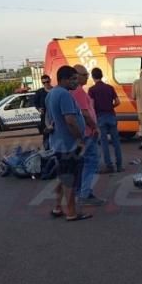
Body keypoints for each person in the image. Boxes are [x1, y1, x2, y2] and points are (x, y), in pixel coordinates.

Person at [46, 65, 91, 221]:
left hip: (58, 143)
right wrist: (80, 139)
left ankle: (58, 207)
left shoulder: (51, 94)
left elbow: (49, 119)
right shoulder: (64, 95)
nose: (76, 82)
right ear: (64, 79)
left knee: (63, 176)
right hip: (68, 145)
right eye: (72, 79)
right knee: (70, 179)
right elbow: (70, 121)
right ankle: (71, 212)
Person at [71, 64, 105, 206]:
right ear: (77, 76)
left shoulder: (76, 91)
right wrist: (95, 127)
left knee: (83, 163)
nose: (87, 77)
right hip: (87, 133)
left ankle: (82, 192)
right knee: (91, 162)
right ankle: (84, 193)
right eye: (85, 75)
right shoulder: (78, 91)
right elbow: (84, 113)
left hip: (83, 133)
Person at [88, 67, 122, 173]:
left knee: (104, 143)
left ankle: (109, 166)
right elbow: (117, 102)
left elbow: (92, 105)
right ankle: (119, 165)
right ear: (101, 75)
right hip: (111, 115)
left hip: (100, 117)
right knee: (116, 142)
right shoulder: (110, 87)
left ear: (93, 77)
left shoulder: (92, 90)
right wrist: (110, 106)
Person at [34, 74, 53, 149]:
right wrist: (39, 108)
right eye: (44, 83)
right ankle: (46, 150)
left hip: (54, 116)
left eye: (47, 82)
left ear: (50, 81)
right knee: (46, 135)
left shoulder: (55, 90)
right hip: (44, 116)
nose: (46, 84)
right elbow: (35, 102)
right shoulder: (39, 92)